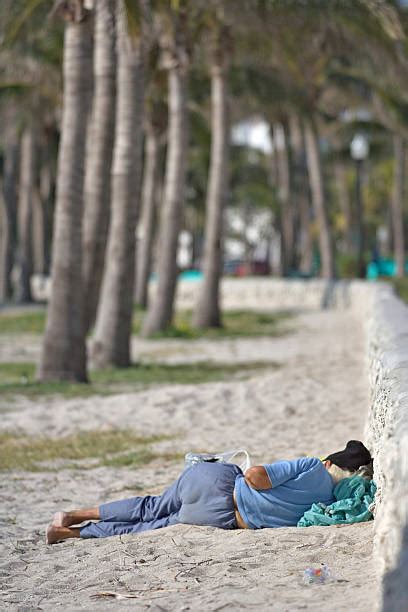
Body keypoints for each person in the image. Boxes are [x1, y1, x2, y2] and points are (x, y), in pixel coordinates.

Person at [46, 440, 373, 544]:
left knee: (150, 506)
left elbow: (257, 475)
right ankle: (71, 534)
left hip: (219, 484)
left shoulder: (313, 467)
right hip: (225, 519)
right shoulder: (330, 507)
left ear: (332, 461)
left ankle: (76, 515)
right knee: (153, 525)